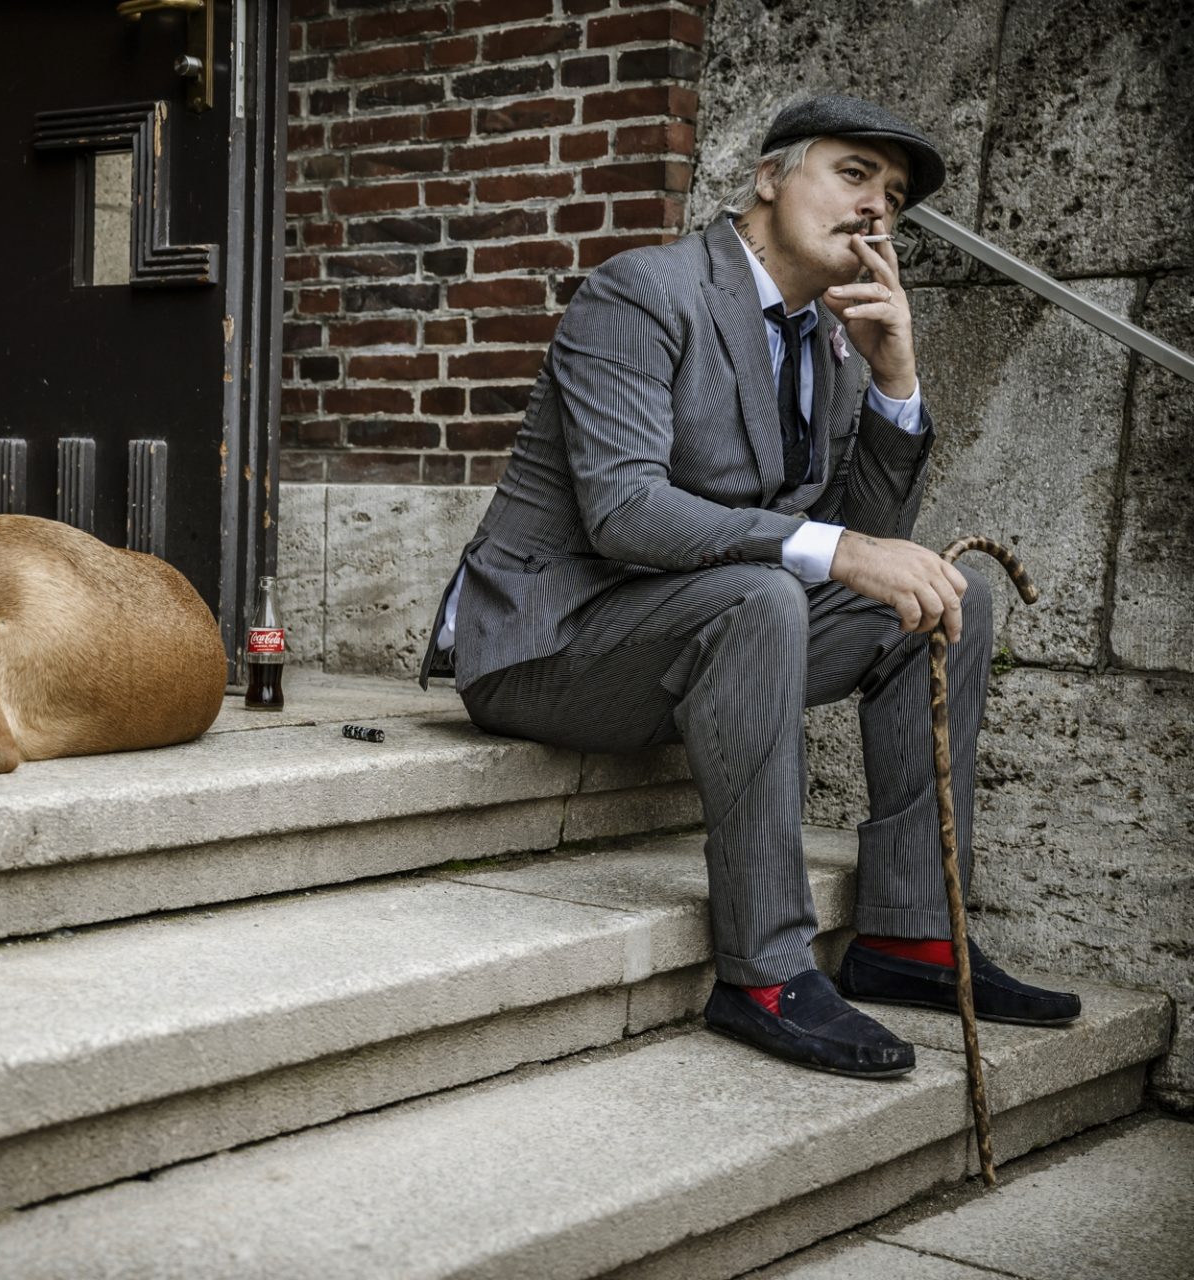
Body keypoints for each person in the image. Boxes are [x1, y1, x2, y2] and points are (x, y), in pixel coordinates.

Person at [419, 95, 1079, 1078]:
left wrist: (896, 380)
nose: (875, 210)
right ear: (770, 175)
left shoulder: (833, 343)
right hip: (545, 648)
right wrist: (835, 549)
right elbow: (625, 509)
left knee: (946, 599)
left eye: (893, 197)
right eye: (854, 174)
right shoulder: (644, 291)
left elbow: (873, 552)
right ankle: (765, 968)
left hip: (699, 638)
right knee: (763, 590)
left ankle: (908, 935)